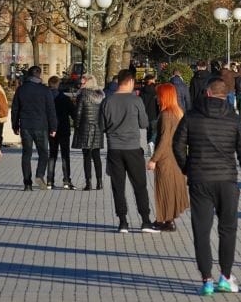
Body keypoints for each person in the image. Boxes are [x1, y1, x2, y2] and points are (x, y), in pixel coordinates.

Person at [173, 77, 241, 296]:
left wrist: (187, 168)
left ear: (208, 93)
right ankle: (226, 276)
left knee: (201, 230)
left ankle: (206, 279)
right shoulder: (234, 119)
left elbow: (177, 145)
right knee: (228, 229)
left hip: (200, 180)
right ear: (226, 95)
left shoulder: (191, 116)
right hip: (227, 180)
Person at [100, 69, 157, 234]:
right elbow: (144, 124)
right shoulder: (135, 100)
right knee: (139, 185)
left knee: (118, 186)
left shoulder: (107, 101)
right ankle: (145, 221)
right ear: (131, 82)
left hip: (114, 148)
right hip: (132, 148)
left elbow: (102, 126)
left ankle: (123, 222)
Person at [147, 82, 189, 232]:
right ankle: (167, 219)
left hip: (166, 158)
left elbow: (164, 139)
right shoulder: (178, 112)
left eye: (158, 96)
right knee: (171, 189)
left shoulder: (166, 115)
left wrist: (153, 159)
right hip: (176, 157)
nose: (157, 99)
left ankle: (164, 219)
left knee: (164, 189)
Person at [11, 65, 57, 191]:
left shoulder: (21, 89)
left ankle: (27, 183)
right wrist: (53, 127)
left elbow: (15, 109)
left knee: (26, 154)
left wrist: (15, 125)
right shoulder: (45, 90)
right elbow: (50, 110)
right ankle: (39, 174)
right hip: (41, 126)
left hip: (25, 125)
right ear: (39, 75)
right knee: (43, 153)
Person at [72, 74, 106, 191]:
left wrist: (76, 125)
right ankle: (100, 182)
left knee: (86, 156)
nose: (81, 84)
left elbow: (79, 113)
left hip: (85, 128)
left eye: (83, 82)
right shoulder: (101, 95)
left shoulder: (83, 95)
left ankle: (89, 183)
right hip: (97, 128)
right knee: (96, 156)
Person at [47, 76, 77, 190]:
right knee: (65, 155)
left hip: (50, 129)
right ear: (58, 84)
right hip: (63, 129)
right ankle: (66, 180)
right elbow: (73, 113)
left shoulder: (46, 97)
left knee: (52, 155)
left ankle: (49, 180)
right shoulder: (64, 98)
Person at [141, 74, 160, 153]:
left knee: (148, 131)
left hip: (145, 113)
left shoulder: (142, 90)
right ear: (151, 80)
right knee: (155, 131)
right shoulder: (156, 90)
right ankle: (152, 142)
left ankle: (149, 145)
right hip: (154, 113)